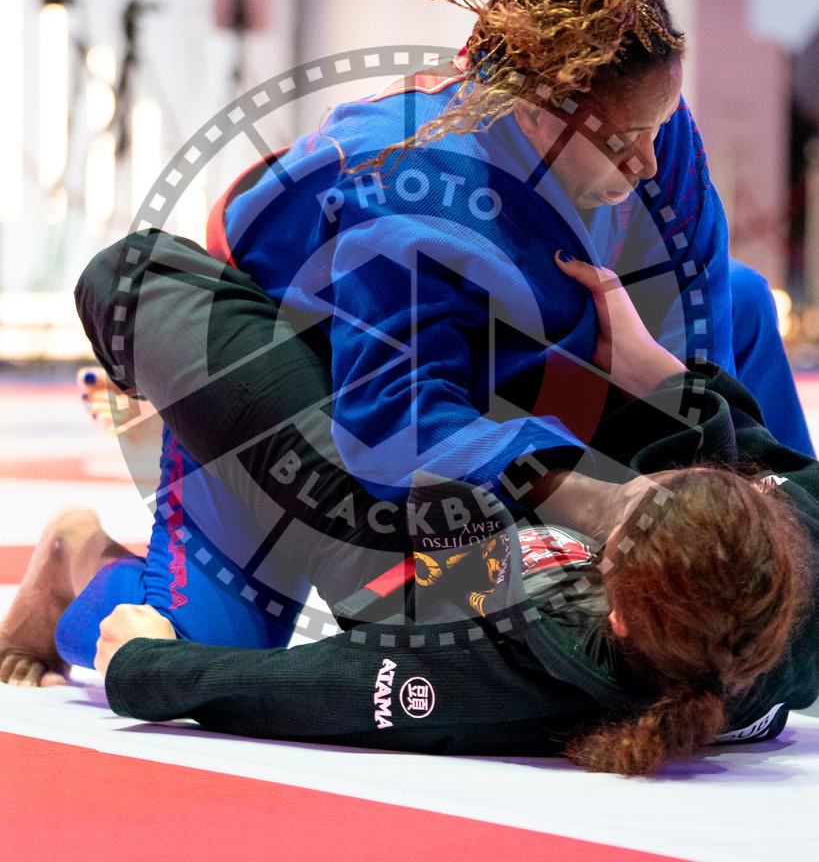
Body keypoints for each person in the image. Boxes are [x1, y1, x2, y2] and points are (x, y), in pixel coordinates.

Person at [4, 235, 816, 778]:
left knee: (133, 279)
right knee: (739, 297)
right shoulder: (793, 547)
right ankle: (276, 378)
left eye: (613, 534)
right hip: (494, 449)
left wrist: (145, 666)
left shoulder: (512, 671)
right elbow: (763, 456)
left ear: (619, 619)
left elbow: (308, 691)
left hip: (383, 534)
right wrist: (655, 374)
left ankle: (80, 564)